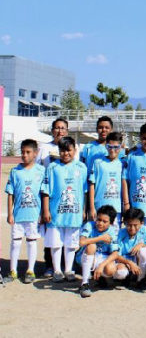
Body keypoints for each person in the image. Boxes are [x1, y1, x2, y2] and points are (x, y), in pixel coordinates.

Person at [41, 136, 88, 283]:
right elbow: (46, 190)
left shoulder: (81, 168)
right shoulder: (52, 167)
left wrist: (84, 209)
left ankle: (68, 269)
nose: (65, 153)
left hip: (74, 214)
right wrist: (46, 210)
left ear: (74, 150)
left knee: (71, 243)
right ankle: (57, 270)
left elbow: (84, 191)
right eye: (62, 150)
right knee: (55, 243)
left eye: (69, 150)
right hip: (56, 213)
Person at [4, 139, 44, 283]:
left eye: (28, 152)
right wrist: (10, 213)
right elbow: (11, 194)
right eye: (22, 152)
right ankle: (13, 270)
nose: (24, 155)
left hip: (34, 215)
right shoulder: (15, 171)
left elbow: (44, 194)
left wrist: (42, 213)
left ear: (35, 153)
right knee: (15, 242)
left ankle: (30, 270)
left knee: (32, 242)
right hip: (18, 215)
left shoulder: (41, 171)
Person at [38, 117, 71, 278]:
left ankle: (66, 266)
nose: (60, 131)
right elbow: (38, 170)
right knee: (50, 233)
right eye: (57, 128)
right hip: (50, 196)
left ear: (67, 130)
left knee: (67, 233)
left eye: (62, 128)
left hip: (67, 198)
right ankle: (50, 265)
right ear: (52, 130)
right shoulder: (45, 148)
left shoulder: (73, 148)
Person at [77, 204, 119, 297]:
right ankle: (84, 283)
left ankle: (101, 278)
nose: (100, 223)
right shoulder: (89, 225)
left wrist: (101, 265)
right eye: (99, 219)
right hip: (86, 256)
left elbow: (115, 253)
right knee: (92, 246)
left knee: (111, 269)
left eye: (105, 221)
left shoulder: (112, 231)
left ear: (111, 223)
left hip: (102, 257)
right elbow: (82, 242)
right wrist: (101, 238)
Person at [88, 132, 124, 225]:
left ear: (121, 147)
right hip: (99, 208)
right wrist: (92, 207)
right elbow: (92, 185)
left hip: (116, 210)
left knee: (113, 238)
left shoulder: (123, 164)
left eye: (116, 147)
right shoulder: (97, 162)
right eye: (110, 146)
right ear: (106, 146)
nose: (112, 150)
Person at [110, 207, 146, 287]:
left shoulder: (145, 231)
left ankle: (140, 279)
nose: (132, 228)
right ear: (125, 223)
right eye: (129, 225)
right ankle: (126, 277)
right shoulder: (121, 233)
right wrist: (129, 263)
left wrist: (141, 244)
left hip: (138, 260)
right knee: (120, 273)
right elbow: (117, 255)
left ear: (141, 223)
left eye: (135, 225)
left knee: (144, 251)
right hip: (124, 260)